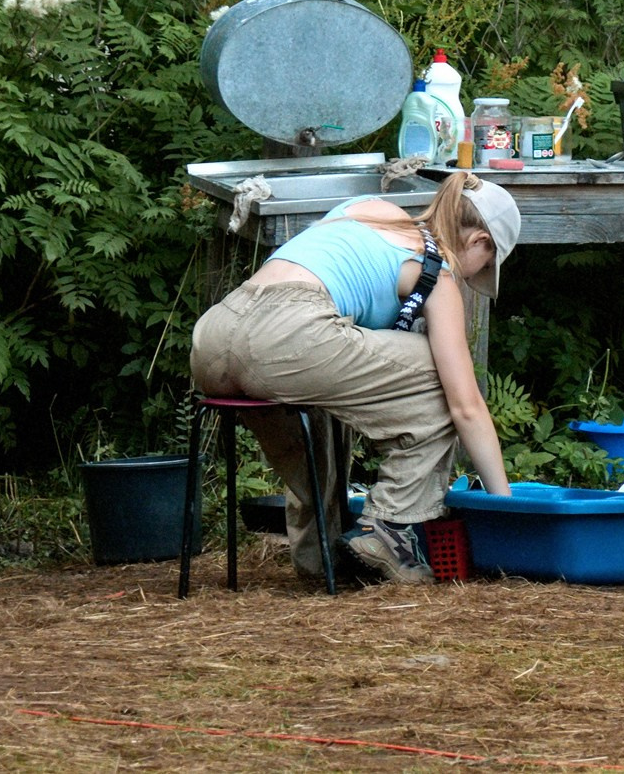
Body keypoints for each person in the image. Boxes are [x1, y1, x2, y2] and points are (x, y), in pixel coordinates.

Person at [190, 171, 521, 585]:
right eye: (484, 266)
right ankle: (390, 526)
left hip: (215, 334)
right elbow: (467, 407)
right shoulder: (437, 276)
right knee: (443, 371)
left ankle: (322, 561)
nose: (474, 277)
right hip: (287, 335)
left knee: (325, 411)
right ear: (478, 242)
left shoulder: (373, 210)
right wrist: (507, 509)